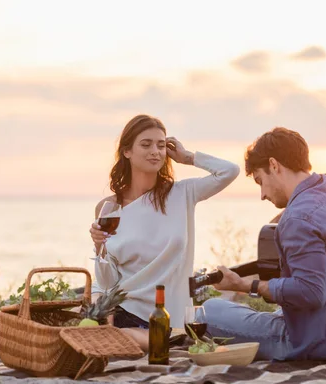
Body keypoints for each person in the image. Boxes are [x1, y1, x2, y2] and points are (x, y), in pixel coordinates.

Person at [203, 127, 326, 362]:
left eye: (260, 181)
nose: (262, 194)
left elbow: (310, 292)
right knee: (268, 311)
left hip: (320, 344)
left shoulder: (297, 220)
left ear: (274, 165)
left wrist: (246, 285)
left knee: (210, 310)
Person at [89, 114, 239, 351]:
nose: (155, 152)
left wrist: (188, 157)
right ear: (127, 151)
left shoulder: (182, 194)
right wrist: (99, 246)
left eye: (161, 145)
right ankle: (113, 335)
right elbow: (107, 281)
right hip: (125, 311)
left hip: (170, 320)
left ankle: (115, 337)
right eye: (146, 144)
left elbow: (229, 171)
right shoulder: (109, 209)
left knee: (136, 340)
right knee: (108, 330)